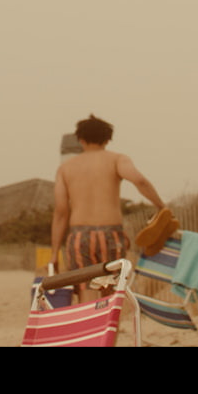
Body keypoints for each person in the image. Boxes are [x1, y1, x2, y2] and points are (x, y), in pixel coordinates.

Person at [51, 114, 167, 302]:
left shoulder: (66, 168)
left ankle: (90, 330)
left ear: (80, 140)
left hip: (80, 236)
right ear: (107, 139)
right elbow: (139, 180)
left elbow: (61, 212)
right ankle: (110, 331)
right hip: (111, 234)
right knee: (111, 291)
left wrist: (54, 253)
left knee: (85, 289)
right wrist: (161, 206)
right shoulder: (117, 160)